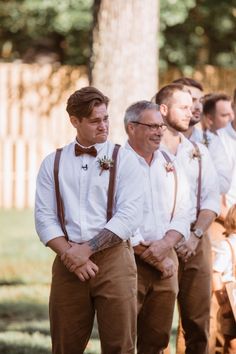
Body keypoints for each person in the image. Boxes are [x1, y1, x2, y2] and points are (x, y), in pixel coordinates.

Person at [35, 86, 144, 354]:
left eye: (105, 118)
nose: (103, 125)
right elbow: (44, 216)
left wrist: (87, 250)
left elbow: (128, 215)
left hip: (114, 258)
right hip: (67, 260)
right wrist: (70, 254)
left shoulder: (125, 159)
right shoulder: (53, 162)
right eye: (95, 120)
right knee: (64, 345)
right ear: (75, 121)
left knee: (120, 345)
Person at [155, 83, 220, 354]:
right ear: (163, 109)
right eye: (184, 105)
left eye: (194, 104)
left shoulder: (199, 152)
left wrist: (195, 236)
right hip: (157, 240)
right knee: (155, 322)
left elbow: (210, 201)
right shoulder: (147, 151)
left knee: (197, 320)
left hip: (197, 238)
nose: (192, 109)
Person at [124, 100, 191, 354]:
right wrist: (149, 253)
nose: (159, 131)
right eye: (152, 126)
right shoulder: (117, 164)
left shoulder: (170, 162)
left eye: (160, 126)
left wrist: (166, 245)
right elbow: (113, 215)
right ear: (132, 128)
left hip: (166, 258)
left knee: (157, 338)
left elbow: (184, 210)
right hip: (128, 258)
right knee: (123, 336)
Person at [213, 204, 236, 354]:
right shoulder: (228, 245)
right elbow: (216, 274)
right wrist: (224, 304)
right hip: (232, 302)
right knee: (233, 343)